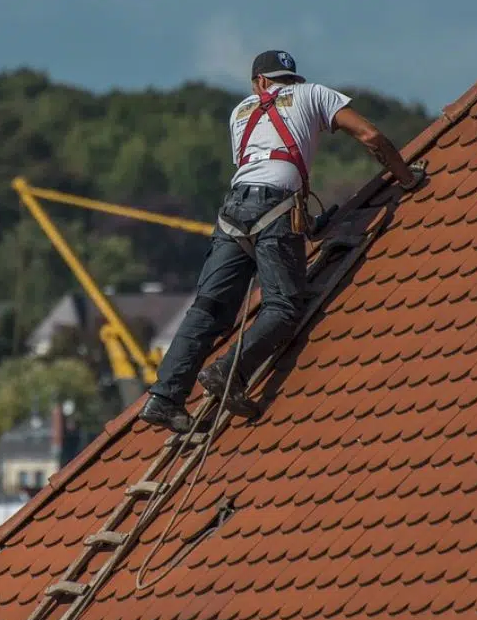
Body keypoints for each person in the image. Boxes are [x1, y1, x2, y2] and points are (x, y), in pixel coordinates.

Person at [137, 49, 426, 433]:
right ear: (282, 80)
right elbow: (370, 135)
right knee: (285, 306)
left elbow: (260, 165)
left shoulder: (239, 112)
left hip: (233, 213)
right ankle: (229, 371)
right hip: (275, 207)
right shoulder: (313, 94)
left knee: (208, 309)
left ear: (259, 83)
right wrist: (406, 178)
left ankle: (164, 397)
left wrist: (303, 226)